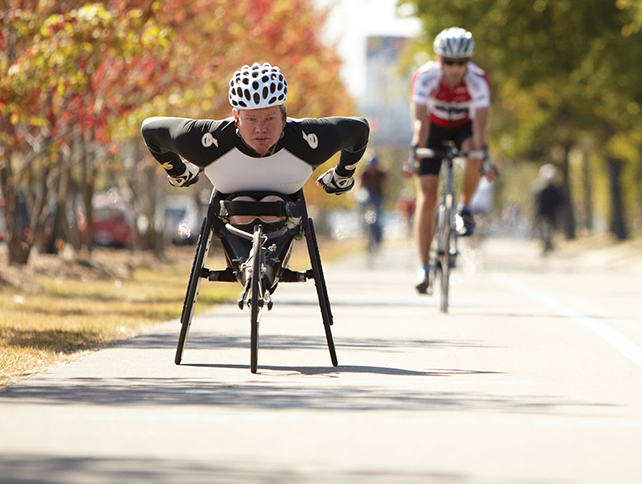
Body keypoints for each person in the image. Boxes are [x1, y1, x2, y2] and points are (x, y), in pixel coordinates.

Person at [140, 62, 370, 261]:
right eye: (251, 119)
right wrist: (179, 171)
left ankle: (269, 261)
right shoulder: (209, 138)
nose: (261, 129)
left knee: (271, 207)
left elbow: (359, 129)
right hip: (234, 200)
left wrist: (342, 175)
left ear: (284, 116)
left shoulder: (307, 137)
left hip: (281, 199)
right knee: (245, 208)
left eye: (270, 118)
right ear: (236, 118)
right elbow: (150, 130)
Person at [403, 27, 495, 293]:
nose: (455, 69)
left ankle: (465, 208)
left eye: (461, 63)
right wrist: (414, 155)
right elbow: (420, 124)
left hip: (463, 128)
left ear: (469, 61)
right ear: (438, 59)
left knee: (474, 149)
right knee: (428, 196)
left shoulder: (479, 80)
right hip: (433, 128)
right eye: (449, 62)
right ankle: (423, 267)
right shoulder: (424, 77)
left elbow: (479, 130)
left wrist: (482, 156)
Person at [532, 164, 566, 254]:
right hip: (547, 213)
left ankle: (548, 244)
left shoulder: (541, 189)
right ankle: (547, 244)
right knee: (546, 230)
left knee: (548, 230)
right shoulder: (541, 189)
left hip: (547, 213)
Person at [356, 154, 387, 251]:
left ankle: (378, 239)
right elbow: (359, 186)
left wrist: (385, 197)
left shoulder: (381, 174)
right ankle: (365, 234)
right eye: (370, 167)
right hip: (367, 194)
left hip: (378, 195)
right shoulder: (364, 173)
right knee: (362, 214)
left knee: (378, 216)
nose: (372, 169)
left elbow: (385, 186)